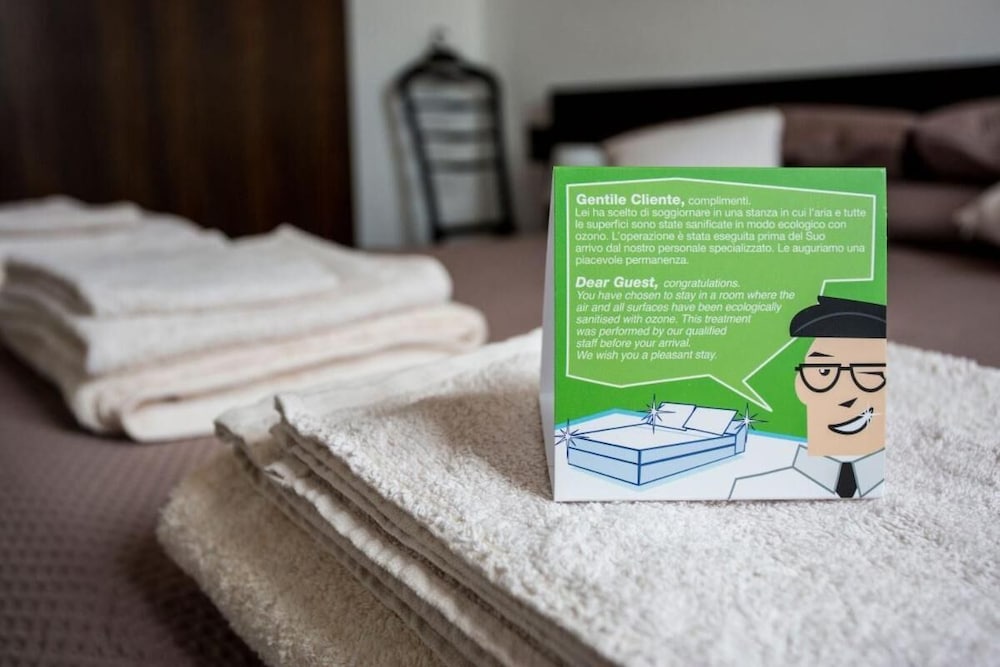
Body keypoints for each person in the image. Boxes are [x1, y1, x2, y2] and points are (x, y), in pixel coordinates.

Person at [729, 296, 886, 499]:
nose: (847, 397)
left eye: (870, 373)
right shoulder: (750, 487)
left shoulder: (879, 480)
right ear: (800, 384)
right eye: (824, 371)